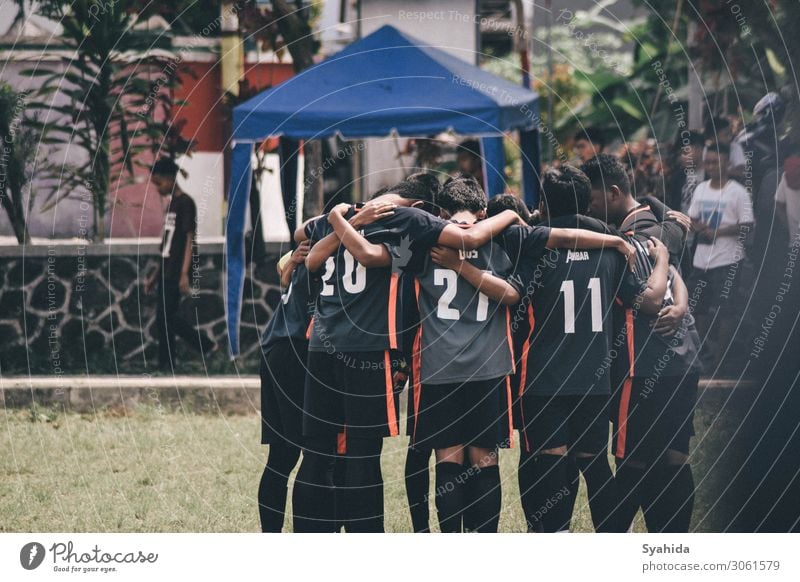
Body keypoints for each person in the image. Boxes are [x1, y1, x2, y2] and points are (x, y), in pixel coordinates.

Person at [514, 166, 669, 533]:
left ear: (544, 204)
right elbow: (643, 301)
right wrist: (661, 262)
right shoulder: (615, 247)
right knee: (594, 462)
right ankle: (614, 539)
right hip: (595, 378)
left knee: (549, 459)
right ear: (588, 202)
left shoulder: (533, 245)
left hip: (544, 377)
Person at [582, 154, 704, 533]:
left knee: (634, 459)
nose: (589, 208)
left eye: (593, 199)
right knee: (672, 457)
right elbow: (675, 267)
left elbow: (650, 298)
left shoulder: (629, 240)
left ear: (614, 192)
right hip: (683, 358)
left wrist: (677, 304)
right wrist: (682, 304)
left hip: (644, 362)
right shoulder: (660, 226)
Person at [405, 175, 521, 533]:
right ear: (484, 211)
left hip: (440, 367)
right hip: (489, 367)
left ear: (441, 211)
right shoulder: (498, 241)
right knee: (484, 460)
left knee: (448, 459)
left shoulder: (427, 242)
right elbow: (512, 296)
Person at [257, 242, 313, 532]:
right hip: (296, 352)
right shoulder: (334, 247)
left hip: (275, 349)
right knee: (312, 454)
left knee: (282, 456)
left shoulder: (314, 245)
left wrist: (291, 262)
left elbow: (282, 268)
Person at [144, 157, 215, 370]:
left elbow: (189, 239)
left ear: (170, 179)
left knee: (167, 318)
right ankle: (168, 363)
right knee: (164, 319)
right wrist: (154, 277)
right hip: (166, 271)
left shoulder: (186, 203)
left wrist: (185, 274)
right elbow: (166, 246)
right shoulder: (171, 205)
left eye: (159, 183)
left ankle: (203, 347)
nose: (157, 188)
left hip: (177, 271)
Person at [687, 143, 754, 366]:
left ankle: (720, 358)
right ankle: (703, 350)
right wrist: (699, 228)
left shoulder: (738, 192)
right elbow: (692, 217)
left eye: (716, 161)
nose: (712, 166)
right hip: (702, 259)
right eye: (708, 162)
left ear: (727, 163)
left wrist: (719, 231)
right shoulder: (701, 189)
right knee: (698, 308)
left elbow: (747, 225)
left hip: (728, 258)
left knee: (726, 309)